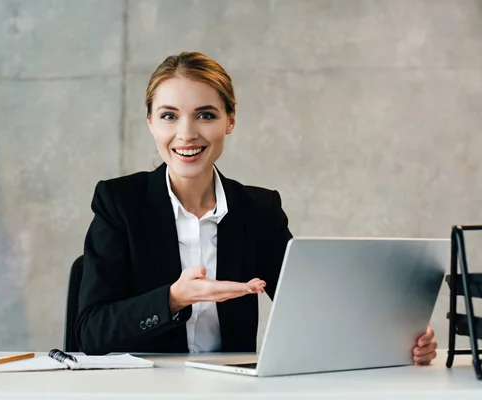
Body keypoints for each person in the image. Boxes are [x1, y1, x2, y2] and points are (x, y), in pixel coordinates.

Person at [74, 51, 438, 364]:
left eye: (205, 115)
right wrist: (173, 298)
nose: (186, 134)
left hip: (233, 388)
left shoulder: (259, 210)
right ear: (151, 123)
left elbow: (311, 309)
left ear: (230, 120)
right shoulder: (118, 202)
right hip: (144, 391)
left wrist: (398, 335)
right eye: (169, 116)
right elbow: (90, 333)